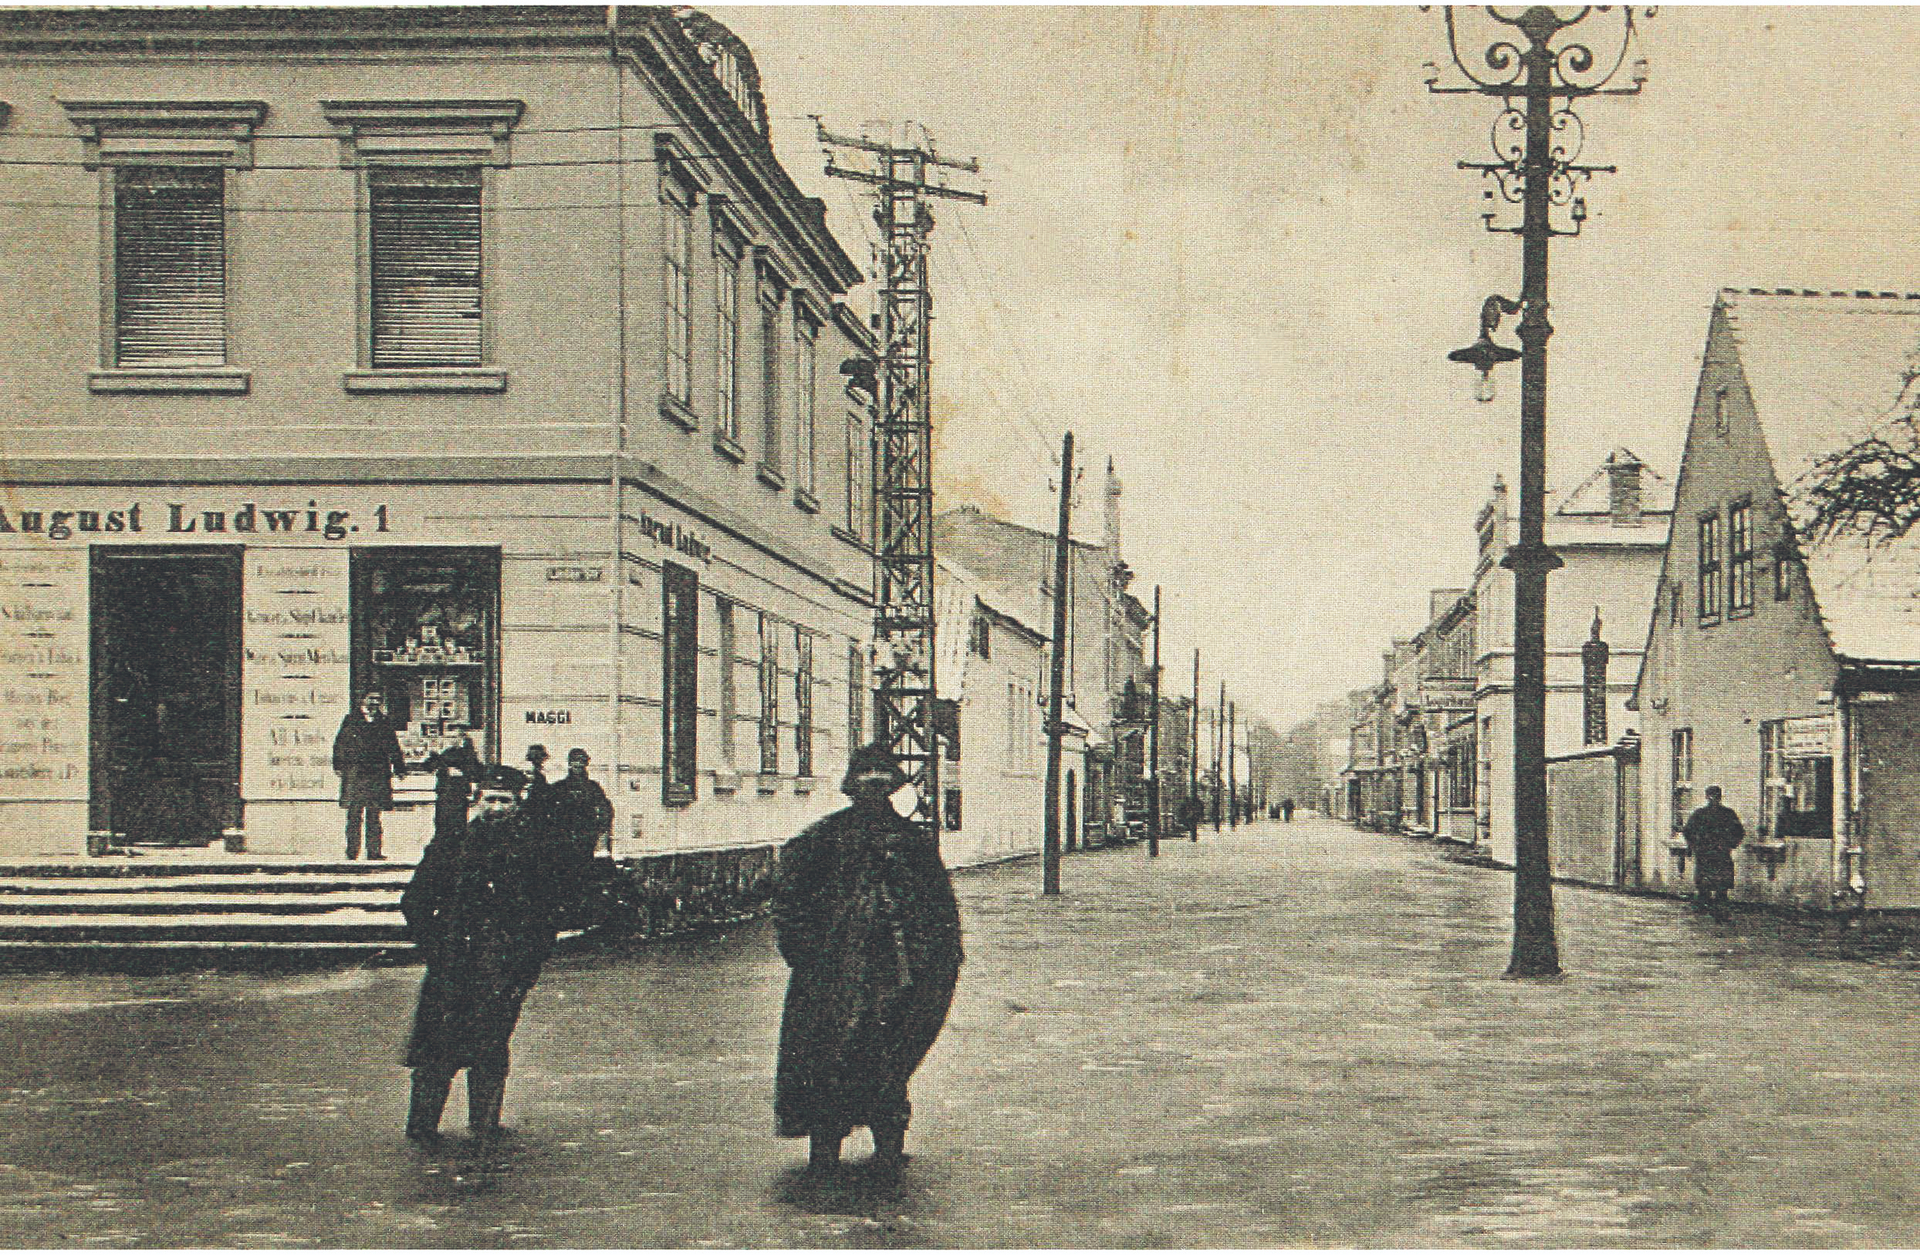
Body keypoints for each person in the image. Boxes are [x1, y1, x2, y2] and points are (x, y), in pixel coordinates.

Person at [771, 741, 964, 1174]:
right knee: (828, 1060)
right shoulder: (823, 841)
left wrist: (938, 966)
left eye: (881, 786)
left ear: (892, 790)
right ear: (853, 791)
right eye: (865, 787)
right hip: (835, 978)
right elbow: (791, 902)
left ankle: (888, 1144)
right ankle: (825, 1149)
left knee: (889, 1060)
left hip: (900, 977)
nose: (873, 796)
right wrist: (807, 957)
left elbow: (939, 910)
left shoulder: (913, 845)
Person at [400, 765, 569, 1146]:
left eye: (504, 801)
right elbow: (415, 901)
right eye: (489, 800)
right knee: (434, 1048)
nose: (495, 808)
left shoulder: (533, 850)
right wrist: (437, 948)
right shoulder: (452, 842)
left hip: (502, 971)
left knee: (491, 1046)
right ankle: (422, 1124)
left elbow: (548, 912)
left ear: (517, 804)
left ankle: (485, 1124)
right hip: (452, 967)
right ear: (477, 801)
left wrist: (526, 965)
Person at [332, 691, 406, 860]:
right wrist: (338, 766)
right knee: (354, 815)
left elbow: (393, 746)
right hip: (355, 775)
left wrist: (400, 768)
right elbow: (340, 744)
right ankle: (352, 851)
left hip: (377, 776)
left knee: (374, 816)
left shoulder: (384, 722)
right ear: (363, 700)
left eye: (378, 699)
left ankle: (374, 852)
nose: (375, 702)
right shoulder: (351, 720)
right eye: (371, 699)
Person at [1683, 785, 1745, 924]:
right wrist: (1695, 846)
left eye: (1715, 796)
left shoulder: (1726, 814)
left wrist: (1730, 844)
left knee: (1719, 882)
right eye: (1712, 796)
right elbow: (1689, 831)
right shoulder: (1701, 814)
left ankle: (1717, 907)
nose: (1713, 799)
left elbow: (1738, 831)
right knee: (1707, 881)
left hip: (1716, 852)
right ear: (1707, 797)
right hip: (1708, 852)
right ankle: (1706, 904)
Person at [548, 748, 614, 859]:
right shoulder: (559, 787)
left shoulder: (593, 788)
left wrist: (600, 831)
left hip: (586, 838)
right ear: (569, 763)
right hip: (563, 839)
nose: (578, 763)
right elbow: (548, 811)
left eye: (581, 760)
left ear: (586, 763)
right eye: (575, 760)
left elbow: (606, 810)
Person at [423, 734, 482, 846]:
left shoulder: (450, 756)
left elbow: (428, 766)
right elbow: (477, 774)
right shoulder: (466, 757)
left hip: (448, 793)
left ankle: (445, 844)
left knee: (444, 823)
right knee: (456, 824)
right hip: (455, 794)